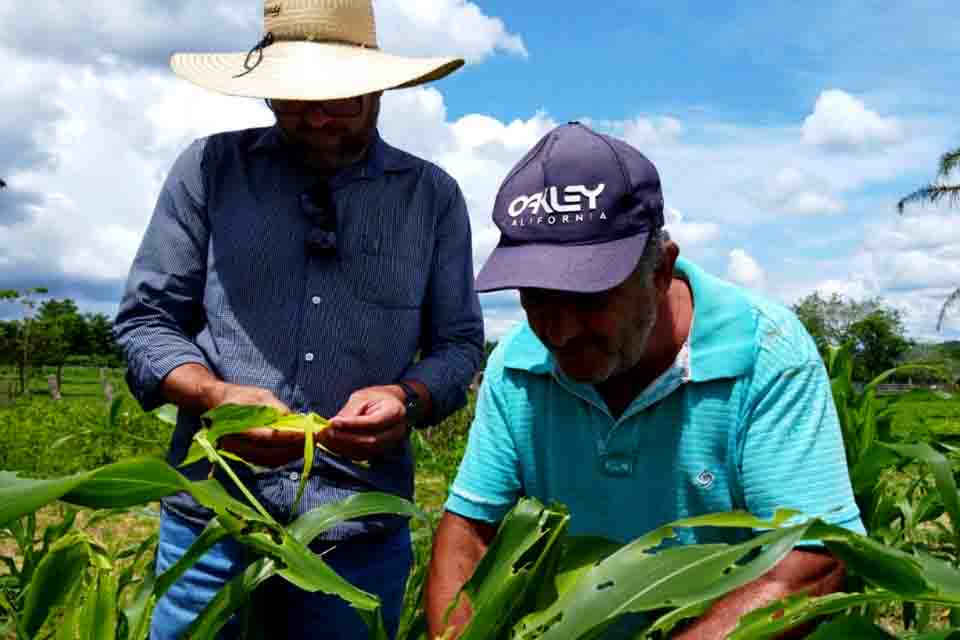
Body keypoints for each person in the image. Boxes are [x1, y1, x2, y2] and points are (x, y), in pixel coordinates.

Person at [113, 1, 484, 637]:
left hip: (356, 528)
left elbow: (459, 344)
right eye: (290, 101)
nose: (314, 118)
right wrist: (215, 396)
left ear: (378, 88)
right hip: (216, 514)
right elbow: (146, 321)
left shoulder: (430, 197)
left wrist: (407, 397)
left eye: (337, 100)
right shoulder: (210, 171)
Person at [424, 123, 864, 639]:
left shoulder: (766, 354)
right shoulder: (518, 364)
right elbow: (469, 533)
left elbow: (813, 559)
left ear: (660, 271)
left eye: (590, 300)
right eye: (536, 298)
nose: (560, 332)